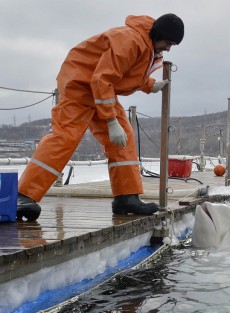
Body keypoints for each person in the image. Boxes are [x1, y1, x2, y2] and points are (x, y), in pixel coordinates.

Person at [16, 14, 184, 221]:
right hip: (79, 84)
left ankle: (126, 198)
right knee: (65, 138)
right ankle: (23, 195)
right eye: (168, 43)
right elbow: (102, 78)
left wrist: (150, 85)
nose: (168, 49)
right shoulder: (130, 40)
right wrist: (111, 121)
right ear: (159, 35)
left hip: (101, 88)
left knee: (125, 138)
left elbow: (126, 73)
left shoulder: (146, 45)